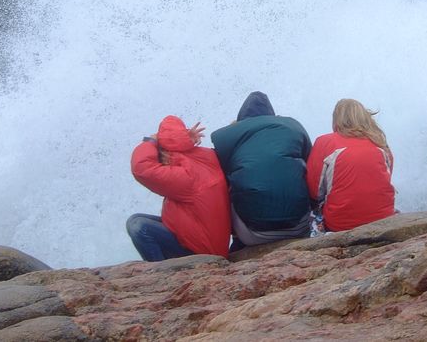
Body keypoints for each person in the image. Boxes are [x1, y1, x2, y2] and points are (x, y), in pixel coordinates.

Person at [211, 91, 312, 251]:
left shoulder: (227, 137)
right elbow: (311, 166)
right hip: (299, 227)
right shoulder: (293, 127)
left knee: (226, 181)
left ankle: (237, 245)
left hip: (252, 234)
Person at [128, 115, 230, 261]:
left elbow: (142, 169)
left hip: (201, 252)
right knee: (138, 217)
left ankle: (162, 275)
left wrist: (150, 141)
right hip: (209, 242)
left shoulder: (186, 175)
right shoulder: (206, 157)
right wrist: (184, 140)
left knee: (137, 225)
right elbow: (175, 142)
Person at [306, 99, 395, 236]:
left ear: (336, 119)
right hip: (383, 219)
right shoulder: (380, 144)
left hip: (340, 224)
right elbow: (383, 181)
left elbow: (314, 191)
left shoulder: (324, 142)